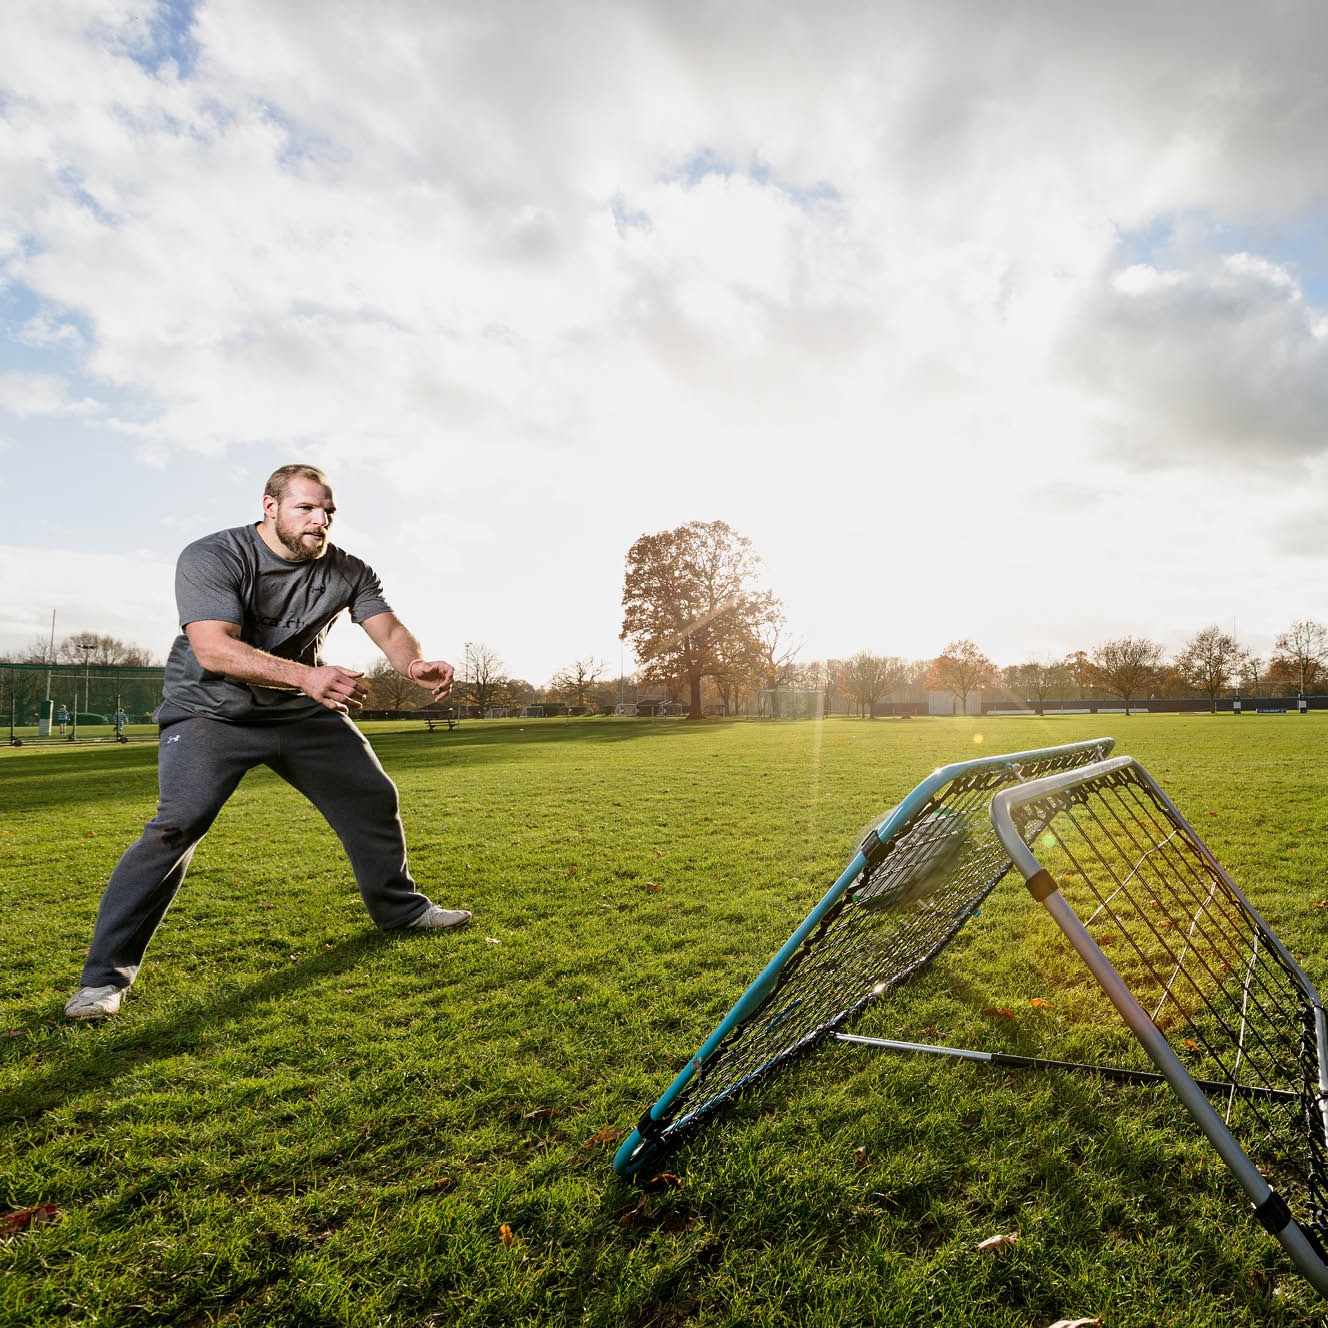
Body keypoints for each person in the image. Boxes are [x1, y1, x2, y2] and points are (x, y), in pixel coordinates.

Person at [64, 463, 471, 1020]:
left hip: (301, 711)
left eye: (327, 510)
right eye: (306, 508)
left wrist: (415, 663)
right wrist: (309, 677)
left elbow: (390, 630)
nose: (319, 520)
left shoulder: (348, 570)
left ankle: (400, 911)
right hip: (210, 713)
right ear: (270, 507)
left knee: (372, 798)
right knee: (175, 827)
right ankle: (102, 981)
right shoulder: (213, 556)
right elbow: (213, 649)